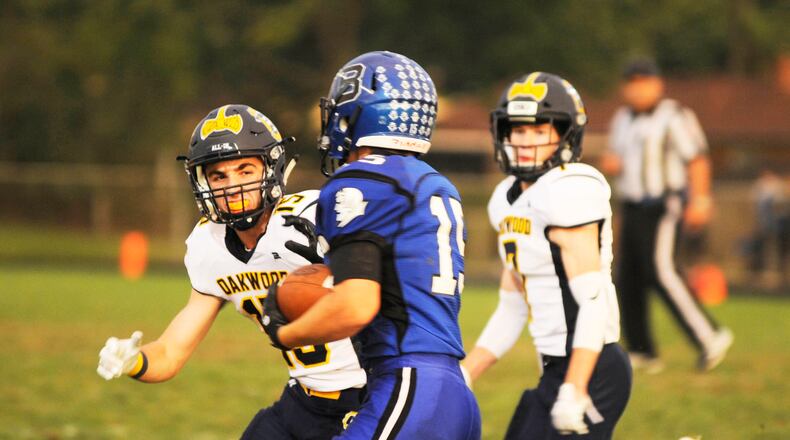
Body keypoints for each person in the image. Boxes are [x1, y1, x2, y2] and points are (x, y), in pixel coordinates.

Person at [96, 104, 366, 439]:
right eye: (218, 176)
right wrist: (134, 361)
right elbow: (171, 352)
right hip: (305, 399)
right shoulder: (208, 245)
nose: (232, 187)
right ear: (201, 182)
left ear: (271, 168)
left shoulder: (318, 216)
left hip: (370, 397)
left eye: (244, 170)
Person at [260, 51, 481, 440]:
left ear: (364, 114)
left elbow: (356, 305)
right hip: (455, 392)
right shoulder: (434, 183)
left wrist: (284, 333)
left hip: (409, 385)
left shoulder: (360, 180)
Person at [462, 72, 632, 439]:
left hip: (593, 367)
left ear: (564, 135)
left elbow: (593, 299)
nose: (526, 142)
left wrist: (575, 386)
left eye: (540, 131)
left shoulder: (568, 189)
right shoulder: (504, 200)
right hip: (555, 369)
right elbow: (513, 305)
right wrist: (465, 373)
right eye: (518, 130)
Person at [601, 59, 733, 373]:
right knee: (627, 276)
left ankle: (709, 335)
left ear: (658, 84)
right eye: (631, 82)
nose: (637, 89)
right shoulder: (622, 119)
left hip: (663, 203)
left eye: (643, 81)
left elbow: (697, 158)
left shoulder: (674, 115)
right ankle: (641, 349)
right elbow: (617, 158)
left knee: (662, 271)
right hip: (632, 205)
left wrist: (700, 199)